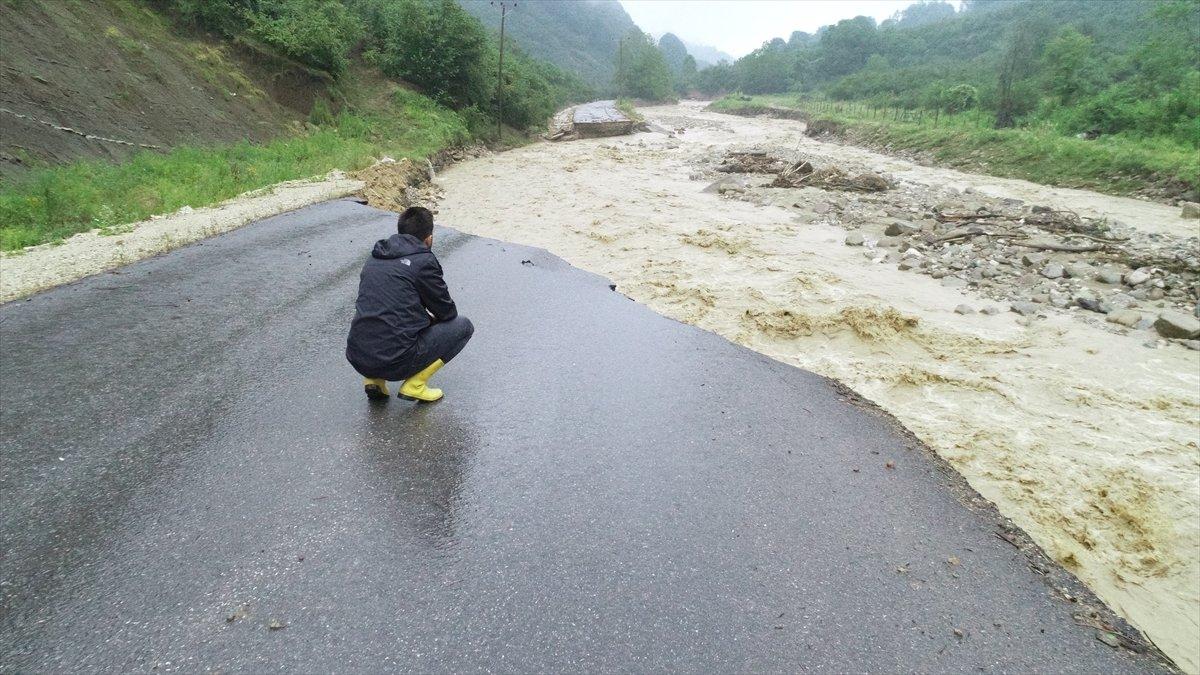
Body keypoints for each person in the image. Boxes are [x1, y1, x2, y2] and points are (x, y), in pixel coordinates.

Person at [345, 206, 473, 403]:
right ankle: (415, 385)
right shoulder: (423, 261)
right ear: (429, 238)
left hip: (358, 356)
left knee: (384, 320)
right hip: (394, 361)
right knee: (463, 326)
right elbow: (446, 312)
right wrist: (430, 320)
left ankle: (374, 380)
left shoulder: (375, 256)